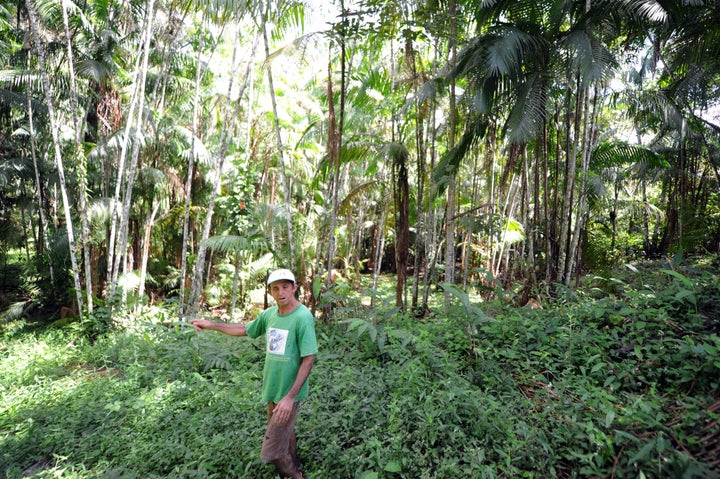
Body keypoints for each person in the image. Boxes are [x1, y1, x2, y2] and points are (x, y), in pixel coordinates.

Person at [190, 269, 318, 479]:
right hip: (273, 388)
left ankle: (295, 475)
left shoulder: (302, 317)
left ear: (294, 288)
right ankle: (293, 466)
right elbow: (243, 329)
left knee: (273, 449)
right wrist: (211, 325)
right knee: (285, 433)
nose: (281, 292)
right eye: (275, 288)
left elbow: (308, 359)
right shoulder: (269, 315)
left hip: (289, 392)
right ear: (270, 292)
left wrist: (289, 398)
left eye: (286, 287)